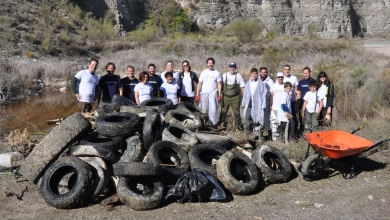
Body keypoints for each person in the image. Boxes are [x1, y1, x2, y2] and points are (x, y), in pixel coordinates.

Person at [242, 68, 267, 144]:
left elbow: (263, 95)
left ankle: (260, 137)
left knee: (258, 121)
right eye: (252, 73)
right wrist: (243, 104)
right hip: (249, 104)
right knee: (246, 120)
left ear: (257, 74)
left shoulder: (261, 84)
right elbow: (245, 94)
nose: (254, 75)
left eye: (255, 74)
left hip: (258, 105)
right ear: (250, 74)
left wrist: (263, 105)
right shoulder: (248, 83)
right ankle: (247, 137)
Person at [195, 57, 222, 126]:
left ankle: (213, 124)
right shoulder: (204, 72)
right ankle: (203, 124)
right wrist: (197, 94)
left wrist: (219, 94)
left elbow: (219, 84)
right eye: (209, 63)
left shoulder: (216, 73)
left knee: (213, 110)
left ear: (213, 64)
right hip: (204, 93)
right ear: (207, 64)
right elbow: (199, 84)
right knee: (204, 110)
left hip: (213, 94)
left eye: (211, 63)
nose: (210, 64)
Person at [219, 62, 245, 130]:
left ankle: (237, 127)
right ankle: (222, 126)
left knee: (237, 114)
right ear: (228, 68)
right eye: (231, 67)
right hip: (225, 97)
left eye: (233, 67)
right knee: (223, 113)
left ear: (235, 68)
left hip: (235, 98)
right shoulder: (224, 75)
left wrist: (244, 97)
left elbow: (242, 87)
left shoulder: (238, 76)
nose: (232, 68)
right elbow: (220, 85)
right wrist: (219, 95)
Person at [296, 67, 316, 133]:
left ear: (309, 73)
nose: (306, 74)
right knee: (303, 118)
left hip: (313, 104)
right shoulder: (301, 82)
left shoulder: (314, 81)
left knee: (313, 120)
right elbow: (299, 93)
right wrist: (297, 103)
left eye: (307, 73)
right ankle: (304, 132)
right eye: (304, 73)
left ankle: (313, 133)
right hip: (303, 103)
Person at [282, 64, 299, 137]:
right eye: (285, 69)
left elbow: (296, 90)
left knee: (293, 119)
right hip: (284, 101)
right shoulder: (281, 78)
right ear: (283, 70)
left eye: (288, 69)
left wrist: (297, 100)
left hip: (292, 101)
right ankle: (284, 135)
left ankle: (293, 135)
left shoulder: (294, 78)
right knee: (285, 119)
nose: (287, 70)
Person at [259, 67, 274, 140]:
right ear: (260, 73)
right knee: (260, 119)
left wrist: (271, 104)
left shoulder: (270, 81)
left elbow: (272, 93)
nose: (263, 73)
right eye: (262, 72)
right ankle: (260, 135)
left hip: (267, 103)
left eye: (265, 72)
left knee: (267, 119)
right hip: (259, 104)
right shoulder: (257, 80)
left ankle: (270, 135)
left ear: (267, 73)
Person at [270, 72, 285, 141]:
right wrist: (270, 105)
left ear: (283, 78)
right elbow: (271, 96)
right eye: (279, 77)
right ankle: (274, 139)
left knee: (280, 123)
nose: (280, 78)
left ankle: (280, 137)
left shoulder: (285, 86)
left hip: (282, 108)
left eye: (281, 77)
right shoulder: (273, 86)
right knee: (273, 123)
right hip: (274, 107)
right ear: (277, 78)